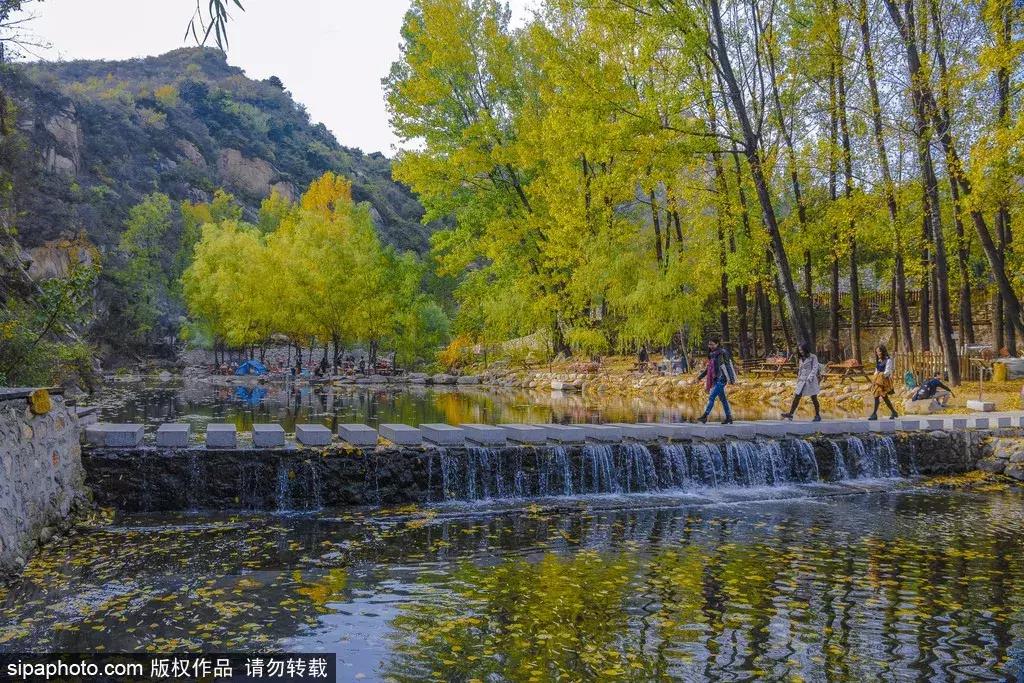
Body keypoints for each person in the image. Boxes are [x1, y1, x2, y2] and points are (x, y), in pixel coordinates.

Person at [695, 336, 736, 424]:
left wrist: (731, 379)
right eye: (709, 344)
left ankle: (705, 416)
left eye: (712, 344)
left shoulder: (722, 353)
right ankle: (729, 417)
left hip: (722, 378)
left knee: (712, 396)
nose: (710, 346)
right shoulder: (711, 355)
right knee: (723, 399)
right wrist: (699, 377)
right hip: (715, 379)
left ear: (717, 344)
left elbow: (728, 365)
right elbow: (708, 369)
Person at [781, 342, 822, 422]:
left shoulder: (813, 357)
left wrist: (810, 377)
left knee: (814, 397)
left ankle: (817, 415)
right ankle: (791, 414)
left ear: (805, 349)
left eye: (802, 350)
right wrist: (798, 378)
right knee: (797, 397)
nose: (800, 351)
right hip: (802, 380)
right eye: (799, 350)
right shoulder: (800, 358)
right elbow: (800, 369)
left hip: (810, 380)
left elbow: (815, 368)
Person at [870, 345, 899, 420]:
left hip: (884, 381)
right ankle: (893, 412)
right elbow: (876, 370)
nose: (877, 353)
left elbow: (887, 372)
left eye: (879, 351)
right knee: (880, 396)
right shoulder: (879, 360)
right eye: (876, 352)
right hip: (878, 380)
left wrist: (879, 375)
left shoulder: (888, 360)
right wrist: (875, 377)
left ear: (883, 351)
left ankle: (875, 414)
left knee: (881, 396)